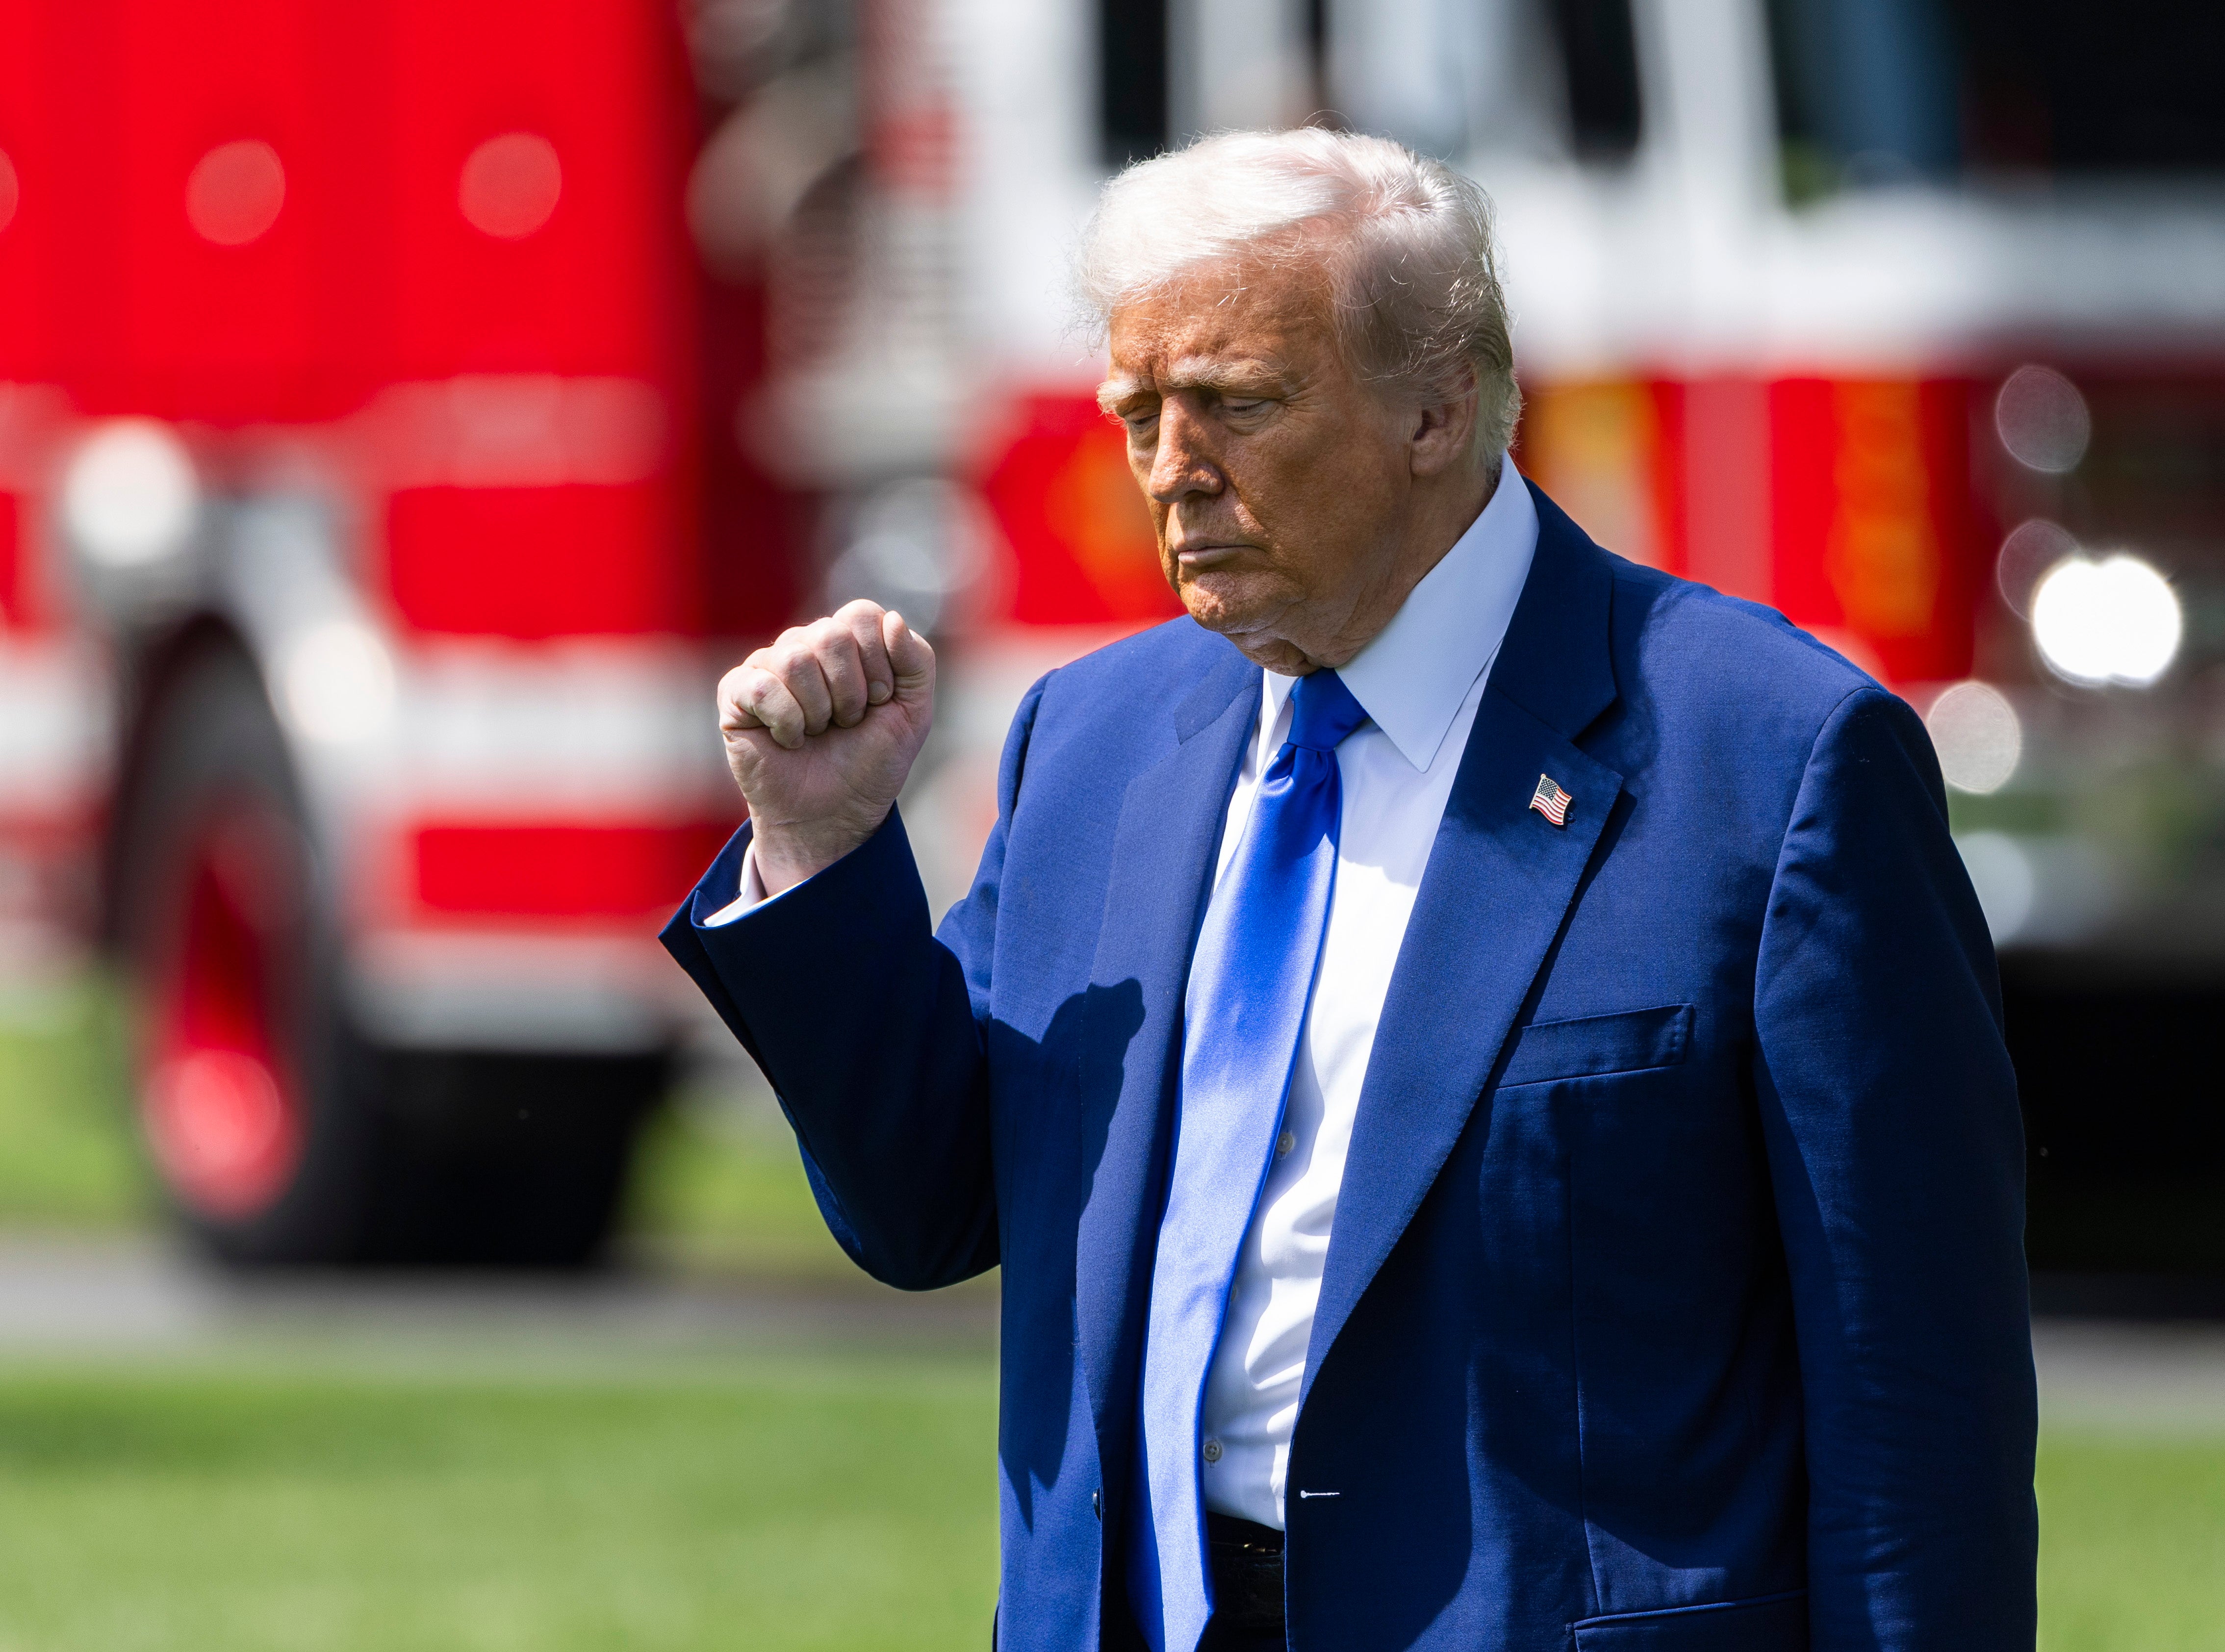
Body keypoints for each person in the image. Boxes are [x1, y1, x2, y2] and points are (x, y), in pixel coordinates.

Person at [663, 127, 2036, 1652]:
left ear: (1438, 406)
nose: (1172, 471)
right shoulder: (1093, 740)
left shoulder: (1770, 758)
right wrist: (823, 849)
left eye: (1237, 404)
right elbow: (929, 1204)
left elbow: (1916, 1402)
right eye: (1137, 413)